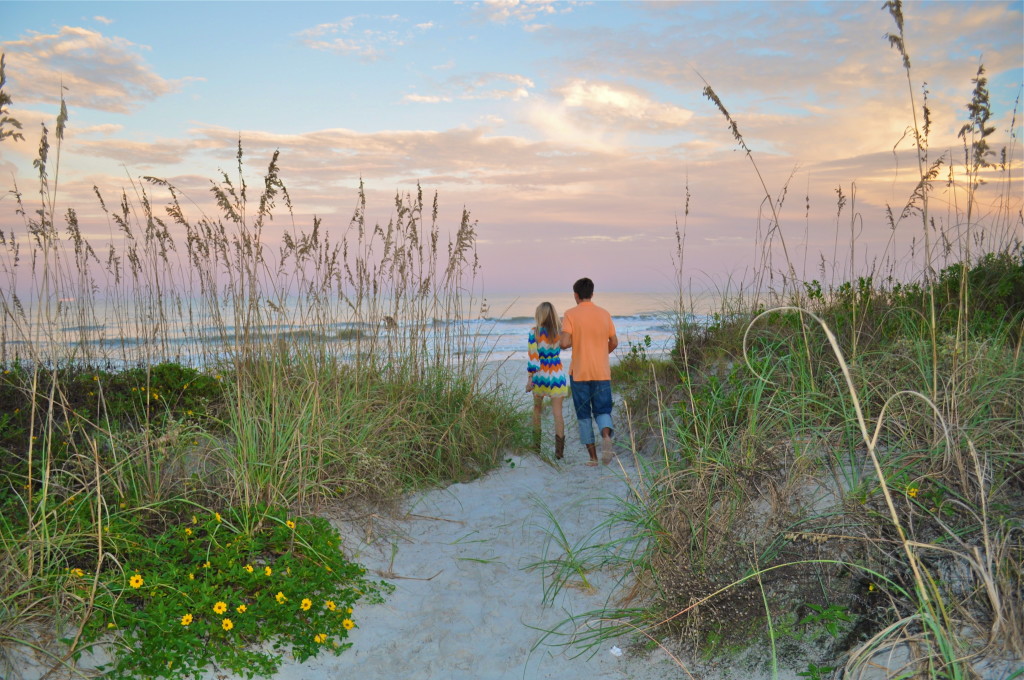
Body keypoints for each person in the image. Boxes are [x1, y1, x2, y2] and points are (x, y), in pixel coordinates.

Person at [559, 278, 618, 466]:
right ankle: (606, 436)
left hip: (579, 372)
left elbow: (564, 343)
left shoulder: (570, 314)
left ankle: (593, 458)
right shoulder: (604, 314)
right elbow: (614, 342)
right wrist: (601, 353)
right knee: (603, 410)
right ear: (592, 294)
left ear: (576, 295)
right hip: (601, 371)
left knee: (584, 414)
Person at [526, 302, 568, 459]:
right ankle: (559, 453)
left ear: (540, 315)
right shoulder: (559, 332)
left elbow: (533, 358)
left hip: (540, 374)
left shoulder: (534, 333)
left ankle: (536, 447)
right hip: (556, 374)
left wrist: (530, 379)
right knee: (558, 414)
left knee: (537, 410)